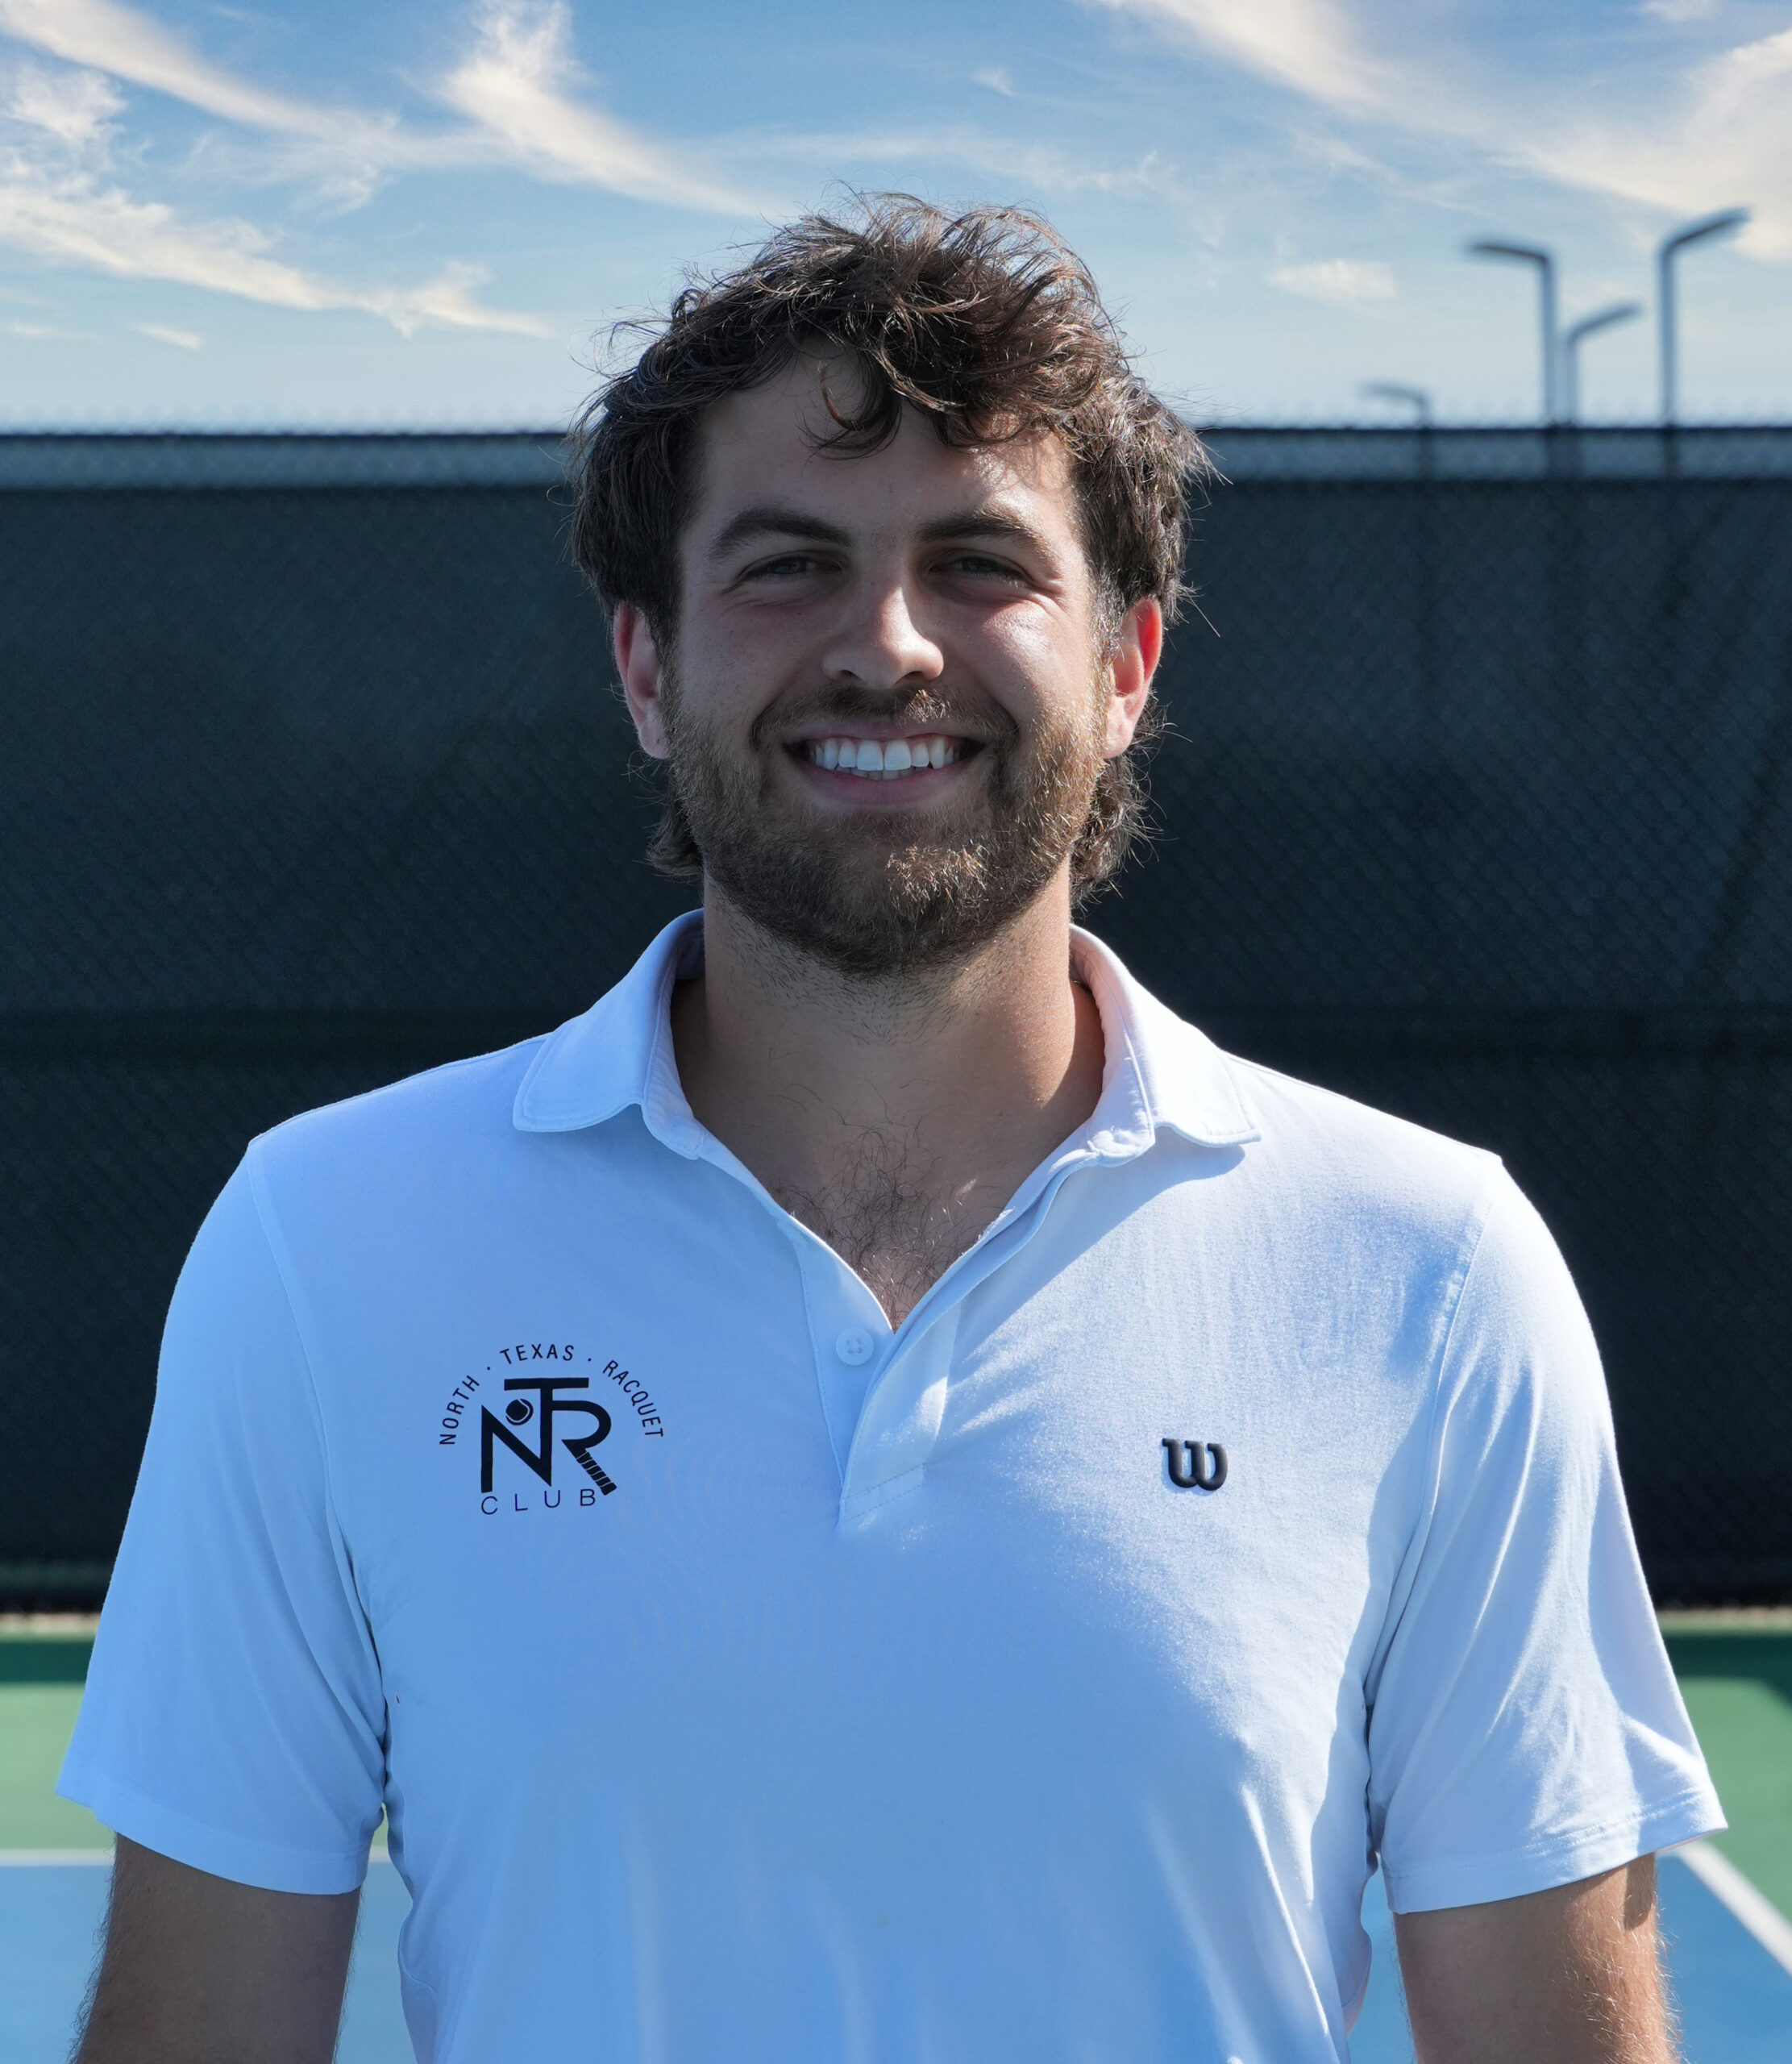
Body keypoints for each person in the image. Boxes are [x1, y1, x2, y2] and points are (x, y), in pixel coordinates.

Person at [63, 198, 1721, 2064]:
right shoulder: (324, 1244)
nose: (887, 644)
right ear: (642, 667)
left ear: (1126, 665)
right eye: (787, 563)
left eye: (977, 562)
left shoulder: (1430, 1268)